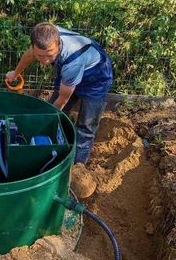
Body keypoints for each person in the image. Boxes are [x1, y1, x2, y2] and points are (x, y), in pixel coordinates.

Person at [6, 22, 114, 166]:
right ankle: (53, 146)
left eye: (50, 55)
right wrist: (15, 73)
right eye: (40, 55)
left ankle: (76, 167)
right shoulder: (44, 37)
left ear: (58, 45)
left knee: (86, 125)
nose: (45, 61)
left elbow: (62, 99)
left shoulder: (71, 63)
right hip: (72, 70)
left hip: (96, 76)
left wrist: (45, 122)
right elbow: (29, 56)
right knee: (54, 111)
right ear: (34, 46)